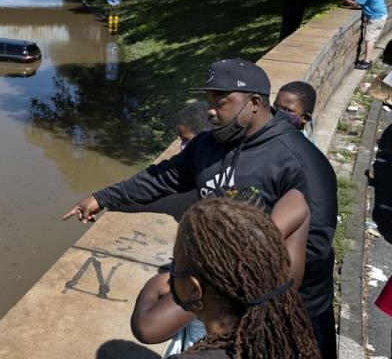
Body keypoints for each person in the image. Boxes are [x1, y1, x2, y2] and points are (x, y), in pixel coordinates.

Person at [62, 58, 338, 358]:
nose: (210, 110)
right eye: (209, 100)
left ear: (255, 103)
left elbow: (316, 243)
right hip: (218, 296)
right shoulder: (207, 145)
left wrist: (239, 278)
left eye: (221, 102)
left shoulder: (300, 160)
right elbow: (160, 178)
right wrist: (103, 198)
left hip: (291, 304)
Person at [133, 187, 310, 357]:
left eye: (176, 264)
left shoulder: (209, 301)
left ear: (195, 290)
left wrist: (155, 283)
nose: (172, 271)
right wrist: (255, 246)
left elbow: (146, 328)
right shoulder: (278, 284)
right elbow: (298, 200)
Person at [341, 0, 389, 70]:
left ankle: (367, 62)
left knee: (369, 39)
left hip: (376, 18)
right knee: (370, 38)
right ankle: (367, 60)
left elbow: (356, 4)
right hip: (379, 16)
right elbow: (361, 1)